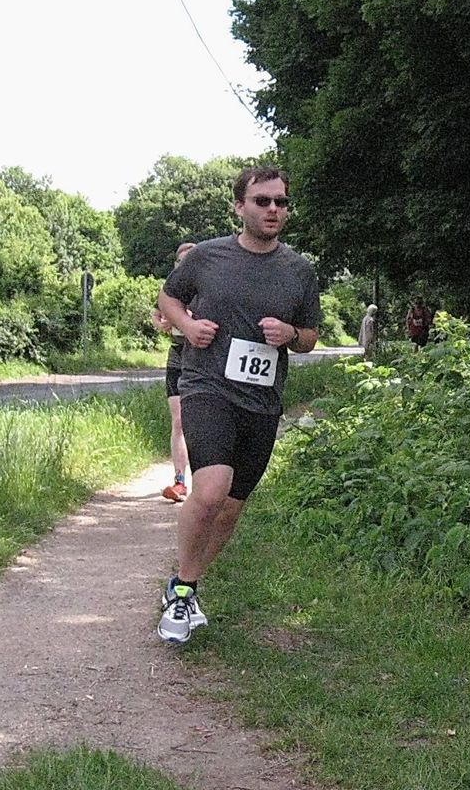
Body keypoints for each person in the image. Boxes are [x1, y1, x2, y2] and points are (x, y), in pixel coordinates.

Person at [155, 165, 321, 644]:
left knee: (229, 509)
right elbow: (168, 299)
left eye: (281, 202)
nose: (273, 209)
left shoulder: (299, 270)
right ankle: (183, 594)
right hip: (206, 386)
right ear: (239, 207)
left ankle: (184, 582)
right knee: (210, 491)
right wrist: (188, 327)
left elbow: (310, 336)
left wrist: (290, 334)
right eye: (262, 201)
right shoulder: (207, 256)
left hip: (262, 401)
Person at [151, 242, 196, 502]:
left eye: (190, 260)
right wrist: (164, 323)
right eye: (180, 262)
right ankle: (179, 482)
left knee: (201, 421)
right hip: (177, 355)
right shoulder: (170, 289)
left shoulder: (210, 287)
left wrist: (187, 317)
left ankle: (207, 481)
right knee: (178, 420)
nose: (184, 266)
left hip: (203, 359)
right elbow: (157, 314)